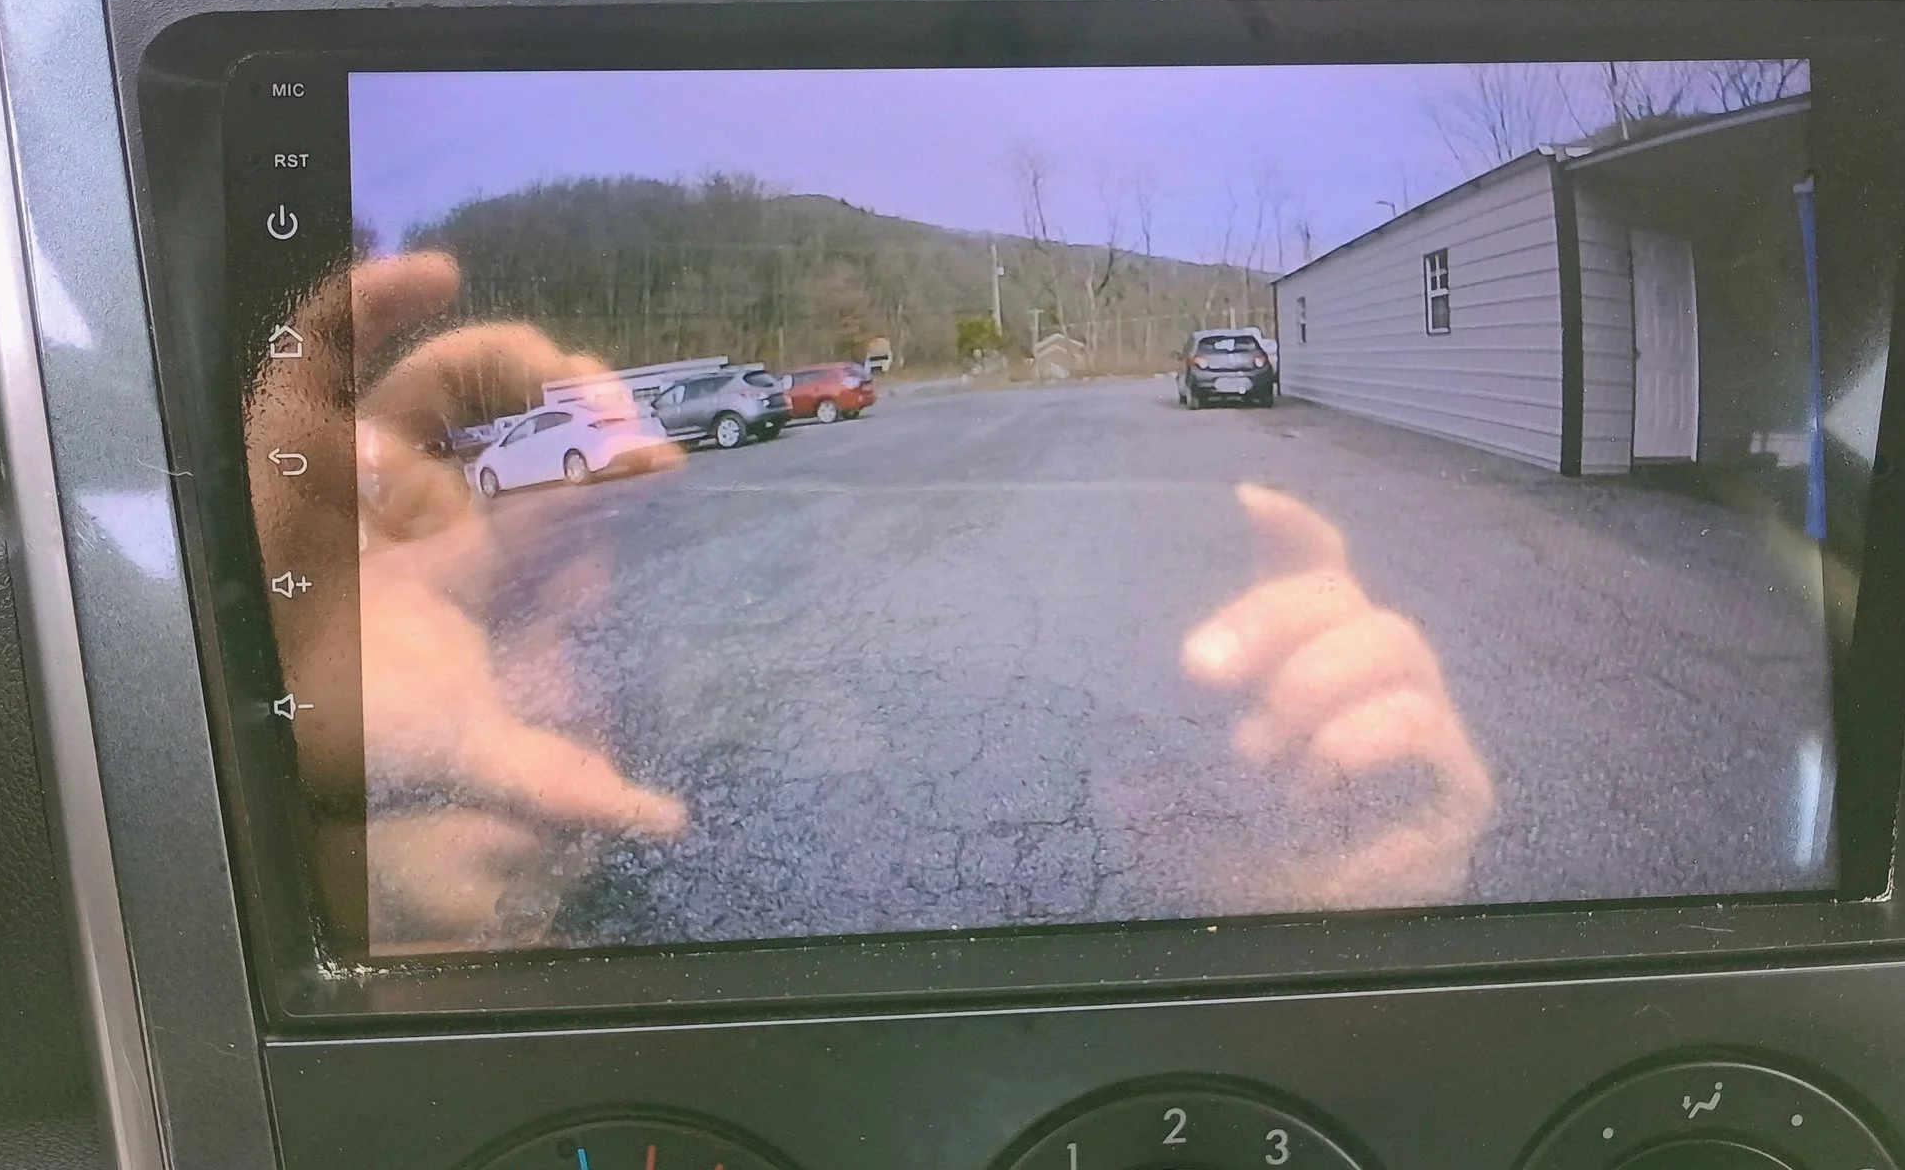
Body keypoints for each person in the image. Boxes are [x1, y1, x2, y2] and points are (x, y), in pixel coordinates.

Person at [249, 252, 1493, 952]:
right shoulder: (325, 751)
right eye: (505, 612)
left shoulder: (742, 851)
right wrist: (267, 772)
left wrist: (1286, 924)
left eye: (597, 628)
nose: (559, 695)